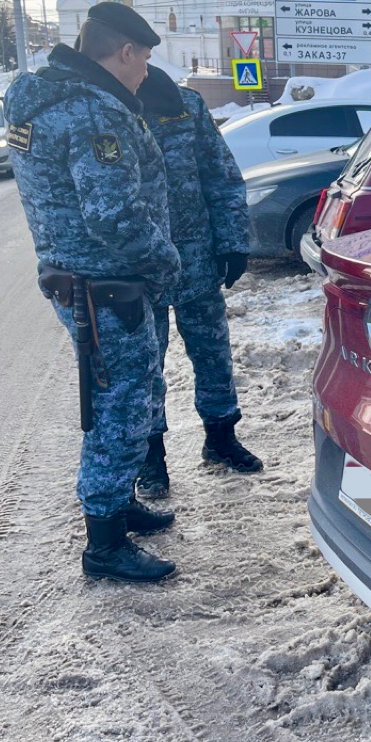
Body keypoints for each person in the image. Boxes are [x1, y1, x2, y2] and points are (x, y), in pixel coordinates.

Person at [4, 2, 180, 583]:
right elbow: (113, 216)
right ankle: (104, 543)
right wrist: (166, 263)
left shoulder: (37, 98)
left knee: (123, 397)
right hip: (108, 285)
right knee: (121, 406)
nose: (146, 74)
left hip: (77, 277)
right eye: (144, 59)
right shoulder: (94, 112)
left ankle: (118, 504)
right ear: (125, 51)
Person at [135, 63, 262, 500]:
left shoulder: (186, 106)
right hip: (141, 267)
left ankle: (221, 437)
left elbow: (221, 176)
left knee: (212, 352)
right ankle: (151, 457)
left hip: (197, 259)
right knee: (144, 365)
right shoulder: (109, 109)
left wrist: (233, 243)